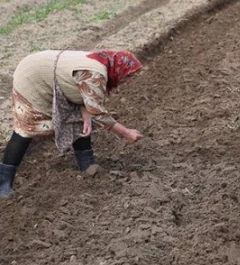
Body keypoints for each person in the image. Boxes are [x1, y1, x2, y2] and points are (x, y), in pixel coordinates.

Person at [0, 49, 144, 198]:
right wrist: (126, 132)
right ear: (120, 68)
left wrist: (85, 111)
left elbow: (77, 88)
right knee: (27, 127)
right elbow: (98, 113)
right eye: (129, 75)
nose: (129, 80)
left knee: (80, 121)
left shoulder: (103, 64)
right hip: (33, 77)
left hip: (51, 76)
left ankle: (88, 167)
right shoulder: (95, 73)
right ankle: (3, 182)